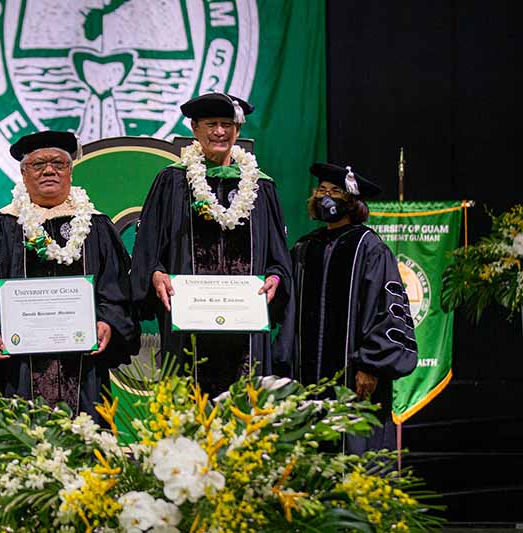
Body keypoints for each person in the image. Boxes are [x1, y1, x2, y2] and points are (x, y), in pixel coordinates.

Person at [0, 130, 138, 420]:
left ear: (71, 172)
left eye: (59, 163)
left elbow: (116, 287)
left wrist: (108, 322)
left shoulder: (96, 227)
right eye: (38, 164)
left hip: (84, 369)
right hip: (18, 368)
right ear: (23, 173)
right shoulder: (1, 226)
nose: (49, 170)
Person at [130, 92, 294, 397]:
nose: (220, 131)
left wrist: (276, 277)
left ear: (238, 130)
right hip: (187, 329)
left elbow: (278, 257)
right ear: (194, 128)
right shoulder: (172, 182)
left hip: (246, 328)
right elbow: (148, 250)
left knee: (247, 416)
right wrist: (155, 273)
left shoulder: (261, 186)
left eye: (227, 124)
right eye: (211, 124)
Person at [286, 162, 417, 453]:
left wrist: (371, 365)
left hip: (355, 379)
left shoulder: (369, 248)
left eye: (336, 191)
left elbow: (388, 309)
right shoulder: (305, 248)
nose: (327, 197)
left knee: (355, 457)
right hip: (307, 383)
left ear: (352, 201)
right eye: (322, 190)